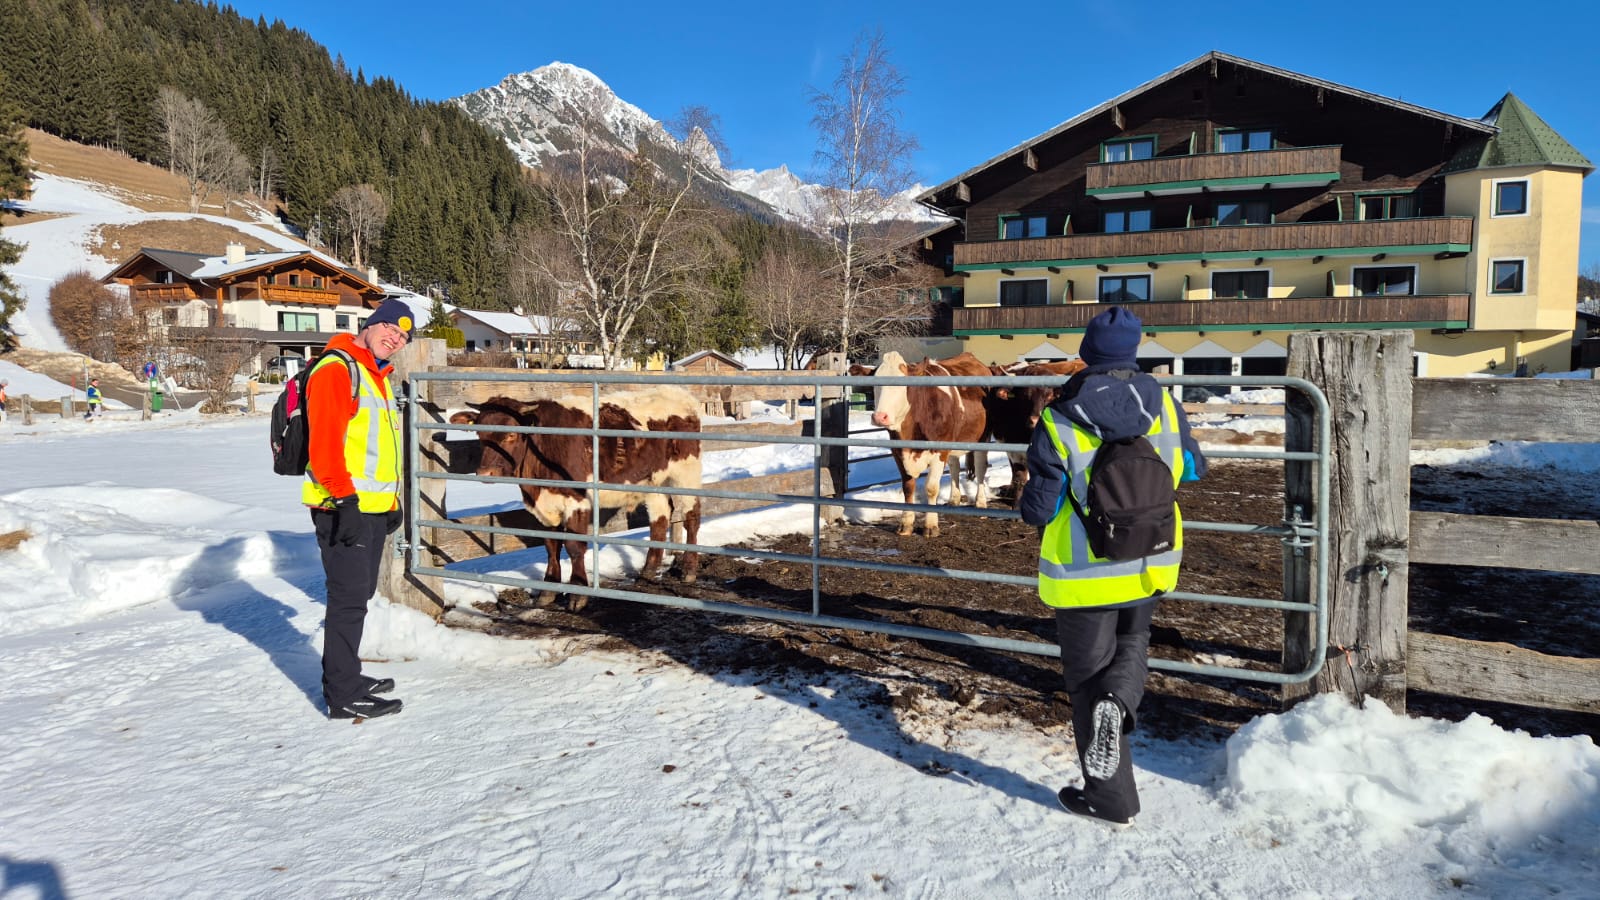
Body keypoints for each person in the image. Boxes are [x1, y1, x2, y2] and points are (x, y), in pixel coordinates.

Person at [1018, 306, 1207, 827]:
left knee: (1086, 681)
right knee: (1134, 645)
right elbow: (1194, 468)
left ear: (1086, 353)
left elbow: (1039, 508)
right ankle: (1120, 704)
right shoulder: (1166, 406)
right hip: (1151, 559)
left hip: (1084, 573)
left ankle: (1110, 798)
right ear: (1133, 351)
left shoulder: (1060, 416)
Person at [303, 298, 413, 720]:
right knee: (347, 600)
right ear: (370, 325)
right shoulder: (338, 369)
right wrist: (345, 501)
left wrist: (390, 501)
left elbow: (376, 450)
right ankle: (342, 693)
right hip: (341, 506)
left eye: (402, 336)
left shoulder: (375, 375)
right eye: (389, 328)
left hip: (370, 508)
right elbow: (325, 445)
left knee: (359, 596)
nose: (395, 339)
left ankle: (346, 674)